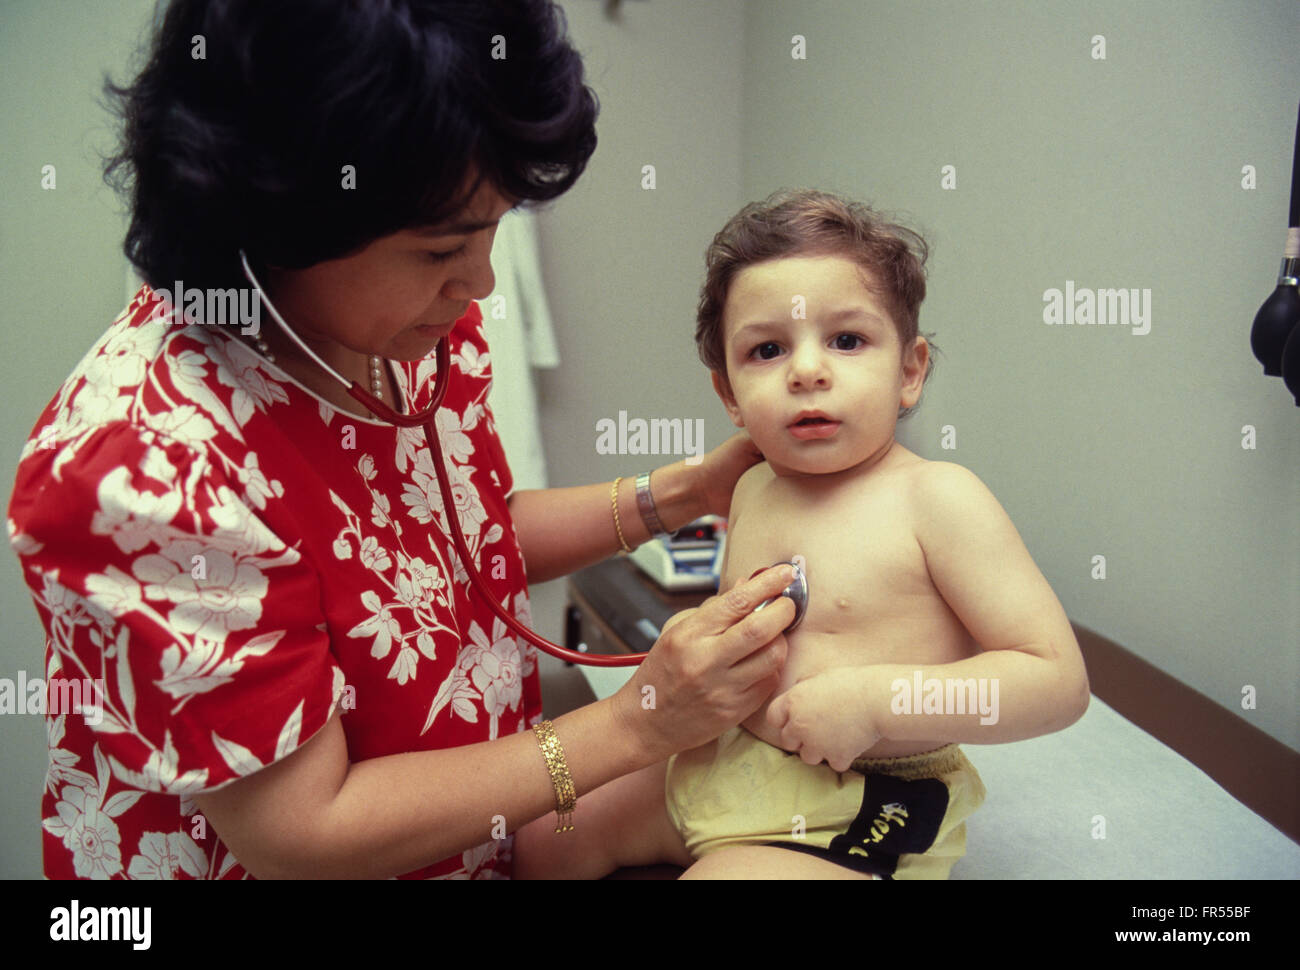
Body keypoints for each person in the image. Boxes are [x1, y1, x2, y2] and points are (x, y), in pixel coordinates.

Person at [6, 0, 799, 880]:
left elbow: (455, 546)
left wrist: (684, 493)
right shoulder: (147, 470)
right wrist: (635, 721)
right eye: (439, 250)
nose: (480, 281)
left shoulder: (394, 330)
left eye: (497, 228)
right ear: (282, 214)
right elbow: (305, 835)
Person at [515, 189, 1091, 879]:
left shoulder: (939, 499)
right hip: (719, 762)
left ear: (909, 371)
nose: (807, 371)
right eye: (766, 349)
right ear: (729, 393)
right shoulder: (753, 484)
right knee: (541, 834)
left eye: (847, 341)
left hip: (850, 808)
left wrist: (878, 703)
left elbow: (1056, 682)